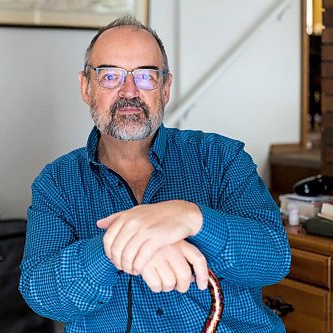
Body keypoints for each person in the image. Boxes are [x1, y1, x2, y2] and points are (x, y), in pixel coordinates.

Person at [19, 15, 291, 333]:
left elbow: (274, 260)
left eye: (146, 76)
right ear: (86, 87)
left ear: (165, 88)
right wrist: (120, 246)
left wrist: (191, 218)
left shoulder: (221, 158)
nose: (129, 91)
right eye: (110, 76)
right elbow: (42, 294)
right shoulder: (57, 183)